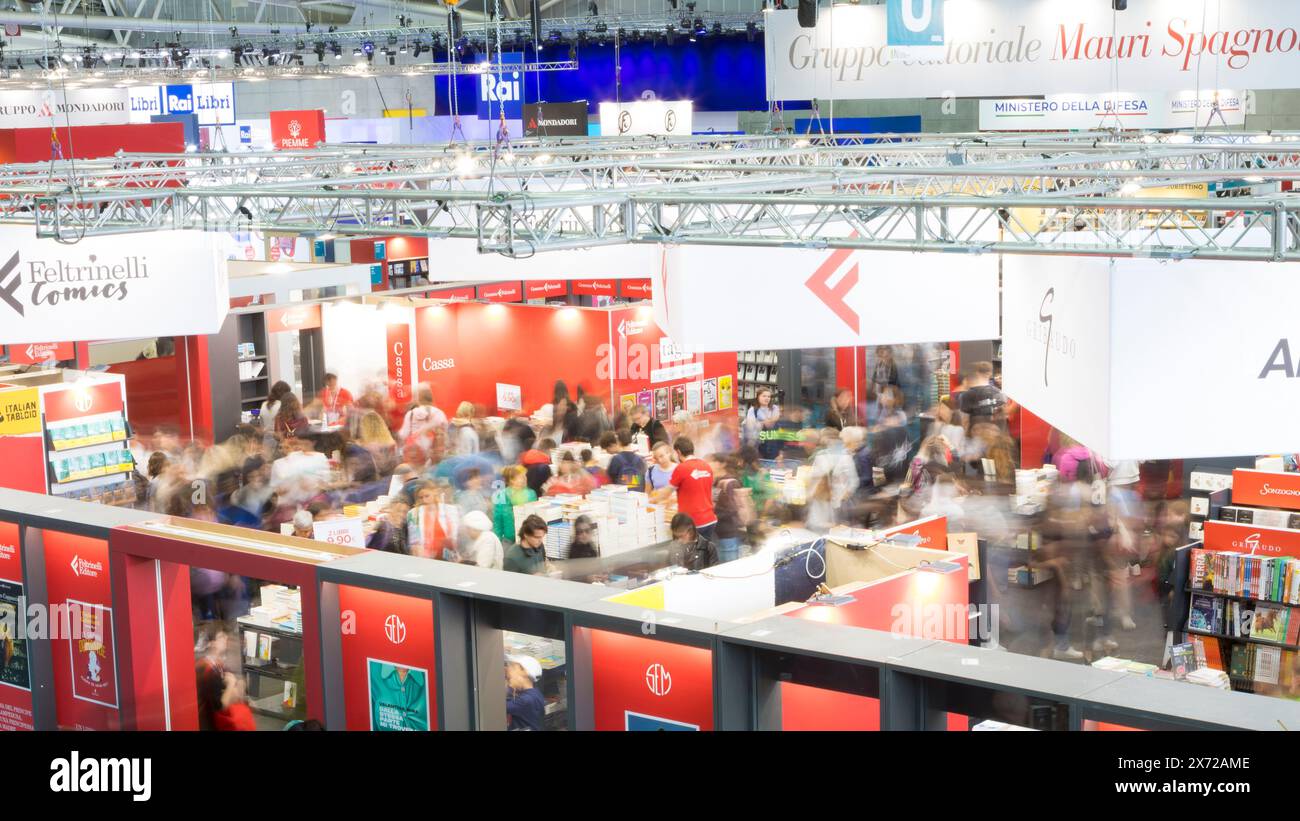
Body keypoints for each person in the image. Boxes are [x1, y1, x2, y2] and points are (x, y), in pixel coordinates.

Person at [662, 437, 717, 541]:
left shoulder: (681, 468)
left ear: (678, 451)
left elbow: (667, 492)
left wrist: (654, 499)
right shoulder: (706, 466)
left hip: (692, 522)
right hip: (710, 519)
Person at [709, 454, 749, 563]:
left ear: (721, 464)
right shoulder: (715, 482)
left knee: (730, 569)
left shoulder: (730, 483)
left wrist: (713, 514)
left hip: (728, 534)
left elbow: (732, 509)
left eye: (710, 461)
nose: (707, 464)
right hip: (718, 534)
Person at [407, 480, 461, 560]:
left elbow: (455, 536)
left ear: (435, 493)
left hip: (448, 556)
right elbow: (414, 541)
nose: (424, 500)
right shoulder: (413, 513)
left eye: (427, 496)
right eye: (421, 497)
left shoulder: (451, 510)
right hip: (425, 558)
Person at [195, 628, 230, 731]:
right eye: (221, 637)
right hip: (207, 723)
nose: (226, 638)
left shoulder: (217, 664)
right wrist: (231, 685)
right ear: (212, 643)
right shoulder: (207, 668)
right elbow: (219, 705)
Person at [492, 465, 537, 545]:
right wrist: (497, 539)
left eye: (524, 476)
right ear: (511, 480)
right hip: (509, 538)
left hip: (527, 537)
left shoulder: (531, 493)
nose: (524, 479)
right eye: (520, 477)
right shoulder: (502, 495)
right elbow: (497, 519)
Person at [398, 386, 448, 451]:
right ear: (431, 397)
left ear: (418, 399)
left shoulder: (411, 414)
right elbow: (445, 431)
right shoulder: (439, 413)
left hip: (416, 451)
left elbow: (403, 435)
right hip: (434, 451)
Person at [959, 361, 1006, 430]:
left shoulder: (967, 395)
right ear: (990, 374)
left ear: (977, 373)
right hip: (996, 435)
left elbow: (964, 421)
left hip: (976, 435)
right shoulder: (999, 392)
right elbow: (1003, 417)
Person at [505, 656, 546, 731]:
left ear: (524, 671)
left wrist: (510, 687)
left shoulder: (526, 700)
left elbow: (499, 707)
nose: (509, 671)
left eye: (513, 668)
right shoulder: (535, 694)